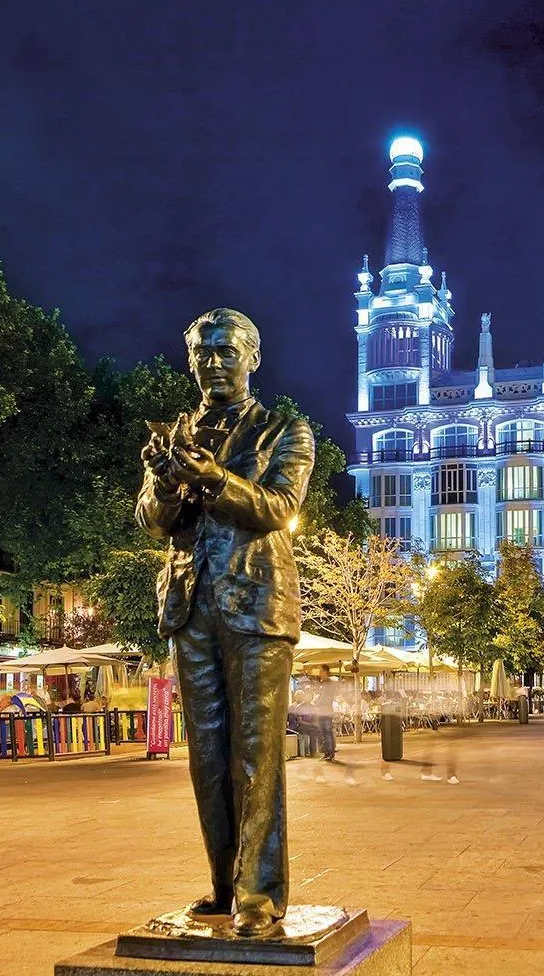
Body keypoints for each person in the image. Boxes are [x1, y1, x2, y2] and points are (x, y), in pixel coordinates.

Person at [136, 307, 315, 937]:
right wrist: (162, 482)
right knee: (207, 755)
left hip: (258, 605)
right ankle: (221, 884)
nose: (214, 362)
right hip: (190, 606)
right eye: (203, 353)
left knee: (256, 753)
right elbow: (155, 522)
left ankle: (259, 892)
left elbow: (278, 507)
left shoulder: (283, 430)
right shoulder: (175, 434)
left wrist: (212, 477)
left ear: (252, 358)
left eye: (226, 351)